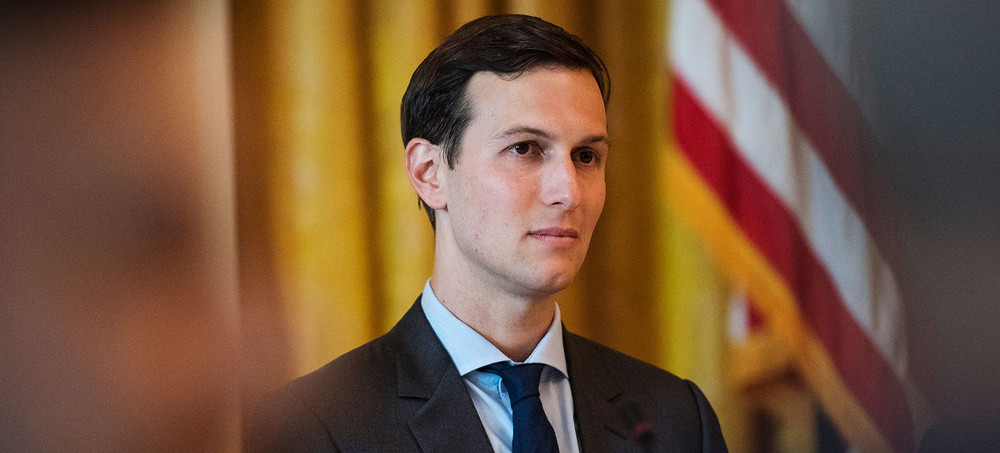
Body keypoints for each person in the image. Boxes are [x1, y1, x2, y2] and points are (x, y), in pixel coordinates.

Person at [247, 14, 727, 452]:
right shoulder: (313, 428)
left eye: (586, 156)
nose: (569, 193)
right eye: (525, 149)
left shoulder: (677, 417)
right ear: (430, 172)